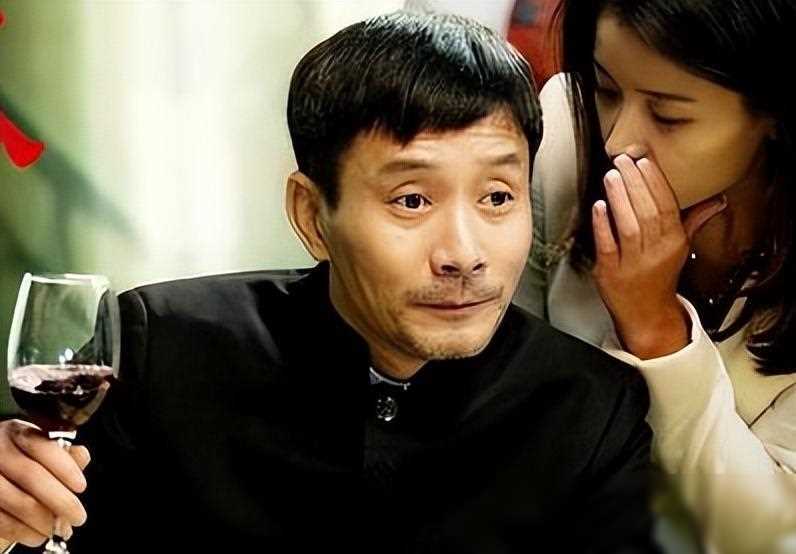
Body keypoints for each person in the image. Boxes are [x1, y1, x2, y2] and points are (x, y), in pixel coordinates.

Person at [0, 11, 658, 553]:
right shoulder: (160, 349)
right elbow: (41, 532)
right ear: (313, 216)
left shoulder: (590, 411)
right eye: (411, 200)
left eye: (497, 197)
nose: (464, 254)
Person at [514, 1, 796, 553]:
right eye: (606, 89)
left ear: (775, 115)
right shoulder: (565, 137)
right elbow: (503, 391)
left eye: (668, 116)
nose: (618, 141)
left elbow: (765, 534)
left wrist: (656, 329)